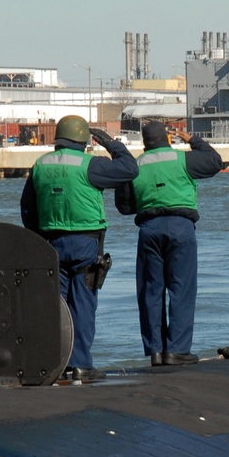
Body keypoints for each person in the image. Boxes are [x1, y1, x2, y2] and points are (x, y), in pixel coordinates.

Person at [20, 115, 138, 381]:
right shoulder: (91, 165)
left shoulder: (40, 165)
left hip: (51, 244)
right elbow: (130, 170)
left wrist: (38, 237)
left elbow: (27, 207)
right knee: (84, 304)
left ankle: (57, 366)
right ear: (84, 141)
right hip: (85, 243)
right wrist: (112, 144)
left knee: (57, 308)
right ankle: (81, 365)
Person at [115, 121, 222, 366]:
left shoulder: (136, 165)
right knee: (181, 289)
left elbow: (124, 206)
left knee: (150, 291)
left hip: (149, 229)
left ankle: (155, 351)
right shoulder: (183, 159)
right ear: (168, 138)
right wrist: (193, 140)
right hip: (180, 227)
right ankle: (177, 350)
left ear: (144, 142)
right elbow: (215, 162)